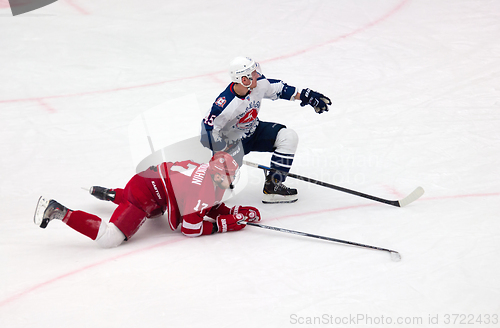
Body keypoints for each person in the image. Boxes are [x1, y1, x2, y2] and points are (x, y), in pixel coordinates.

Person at [34, 152, 261, 248]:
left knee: (153, 212)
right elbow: (190, 228)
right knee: (110, 239)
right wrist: (223, 225)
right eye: (229, 175)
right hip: (145, 195)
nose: (232, 179)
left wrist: (230, 211)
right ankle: (58, 211)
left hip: (147, 185)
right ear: (217, 175)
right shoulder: (203, 188)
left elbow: (202, 202)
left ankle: (114, 194)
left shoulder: (207, 173)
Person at [200, 56, 332, 204]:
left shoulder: (258, 84)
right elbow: (209, 130)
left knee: (288, 136)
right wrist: (220, 152)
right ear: (244, 80)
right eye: (253, 73)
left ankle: (273, 186)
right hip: (232, 143)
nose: (258, 74)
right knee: (216, 194)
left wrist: (307, 96)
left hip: (255, 131)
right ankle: (220, 178)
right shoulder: (225, 104)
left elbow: (279, 89)